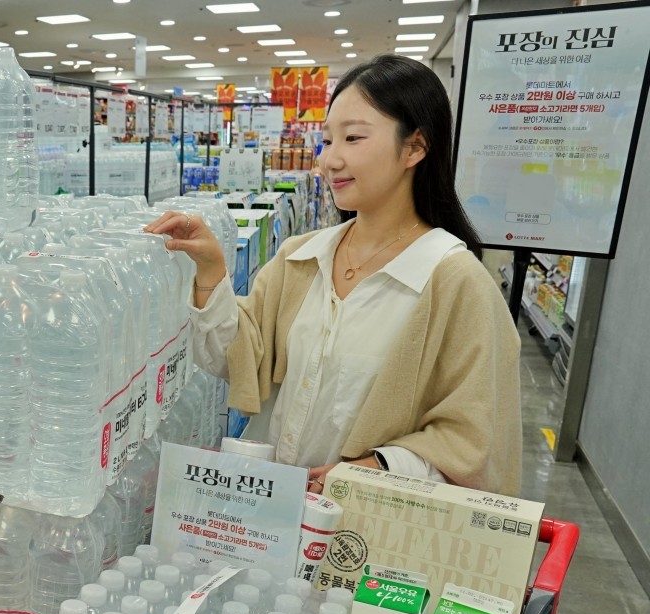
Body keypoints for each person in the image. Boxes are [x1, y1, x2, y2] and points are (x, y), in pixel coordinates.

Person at [145, 55, 522, 495]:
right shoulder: (301, 258)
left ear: (415, 147)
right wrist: (211, 270)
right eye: (326, 141)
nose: (330, 160)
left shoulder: (455, 283)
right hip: (272, 519)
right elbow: (238, 360)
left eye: (354, 138)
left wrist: (378, 468)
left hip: (368, 540)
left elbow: (479, 440)